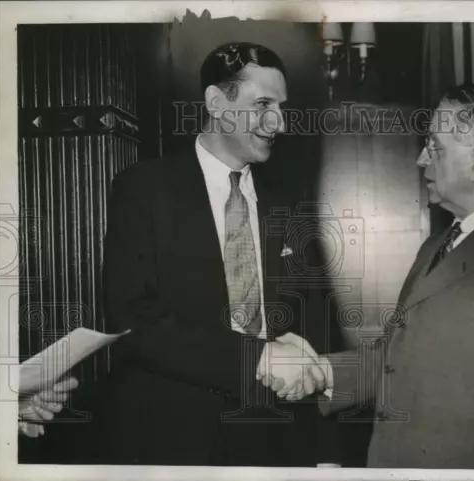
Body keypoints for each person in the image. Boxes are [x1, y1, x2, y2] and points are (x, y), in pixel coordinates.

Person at [264, 83, 474, 470]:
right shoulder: (436, 246)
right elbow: (395, 359)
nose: (421, 159)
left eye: (435, 147)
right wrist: (320, 371)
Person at [99, 42, 340, 467]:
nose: (278, 123)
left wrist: (323, 443)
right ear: (216, 102)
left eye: (281, 107)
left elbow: (314, 320)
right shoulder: (143, 189)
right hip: (173, 438)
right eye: (263, 103)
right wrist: (257, 357)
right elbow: (132, 319)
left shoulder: (289, 200)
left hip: (275, 435)